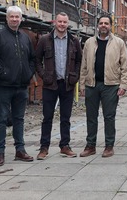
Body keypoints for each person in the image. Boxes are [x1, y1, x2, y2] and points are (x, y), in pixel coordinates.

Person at [0, 6, 36, 167]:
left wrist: (28, 73)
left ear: (21, 19)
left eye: (17, 17)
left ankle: (20, 150)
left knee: (19, 119)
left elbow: (32, 59)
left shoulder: (25, 37)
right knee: (1, 118)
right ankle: (0, 152)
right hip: (4, 86)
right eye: (12, 17)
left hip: (22, 86)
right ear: (7, 18)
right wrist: (3, 73)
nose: (15, 19)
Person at [79, 15, 127, 158]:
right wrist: (82, 84)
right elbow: (84, 65)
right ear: (97, 25)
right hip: (92, 85)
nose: (103, 25)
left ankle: (109, 146)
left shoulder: (118, 43)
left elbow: (125, 66)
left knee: (109, 117)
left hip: (111, 85)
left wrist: (123, 85)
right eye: (101, 23)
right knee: (91, 117)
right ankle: (90, 146)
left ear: (110, 26)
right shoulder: (89, 42)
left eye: (106, 23)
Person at [34, 12, 82, 160]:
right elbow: (37, 60)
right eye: (60, 22)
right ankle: (44, 148)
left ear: (68, 24)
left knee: (65, 117)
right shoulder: (44, 40)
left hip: (67, 84)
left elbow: (80, 61)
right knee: (47, 117)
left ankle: (65, 146)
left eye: (65, 22)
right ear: (55, 22)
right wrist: (44, 75)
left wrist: (75, 76)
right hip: (50, 84)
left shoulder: (74, 41)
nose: (62, 24)